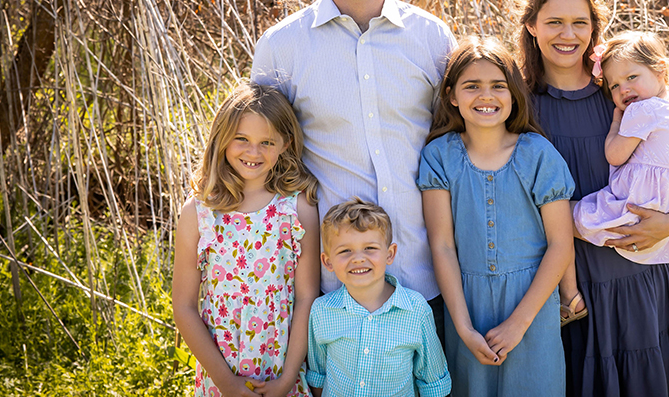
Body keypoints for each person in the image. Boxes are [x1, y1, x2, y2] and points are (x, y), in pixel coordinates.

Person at [250, 0, 456, 326]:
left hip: (429, 279)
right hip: (331, 292)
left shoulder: (432, 38)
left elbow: (459, 144)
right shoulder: (281, 47)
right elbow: (260, 158)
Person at [519, 0, 669, 396]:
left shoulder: (627, 96)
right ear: (531, 26)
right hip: (559, 278)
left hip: (633, 268)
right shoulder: (518, 103)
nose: (568, 34)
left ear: (594, 30)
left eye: (579, 23)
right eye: (554, 22)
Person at [418, 36, 575, 397]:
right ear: (453, 95)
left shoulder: (538, 155)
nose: (485, 96)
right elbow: (441, 245)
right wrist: (462, 327)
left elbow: (560, 245)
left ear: (514, 93)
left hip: (532, 311)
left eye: (498, 86)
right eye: (472, 86)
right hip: (467, 309)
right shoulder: (439, 157)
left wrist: (519, 325)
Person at [173, 82, 321, 397]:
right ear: (222, 138)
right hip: (220, 377)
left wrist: (287, 378)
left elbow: (307, 298)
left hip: (281, 374)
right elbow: (184, 306)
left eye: (266, 142)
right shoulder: (199, 213)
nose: (253, 152)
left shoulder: (296, 210)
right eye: (241, 139)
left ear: (286, 144)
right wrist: (227, 384)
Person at [574, 30, 669, 264]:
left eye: (632, 77)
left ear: (660, 70)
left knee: (569, 217)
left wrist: (615, 125)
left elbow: (615, 156)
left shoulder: (641, 110)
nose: (624, 90)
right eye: (614, 86)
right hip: (663, 210)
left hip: (633, 206)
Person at [306, 198, 451, 397]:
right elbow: (318, 376)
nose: (358, 258)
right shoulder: (322, 311)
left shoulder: (416, 310)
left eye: (370, 248)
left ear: (390, 254)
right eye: (345, 250)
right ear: (327, 261)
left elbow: (433, 383)